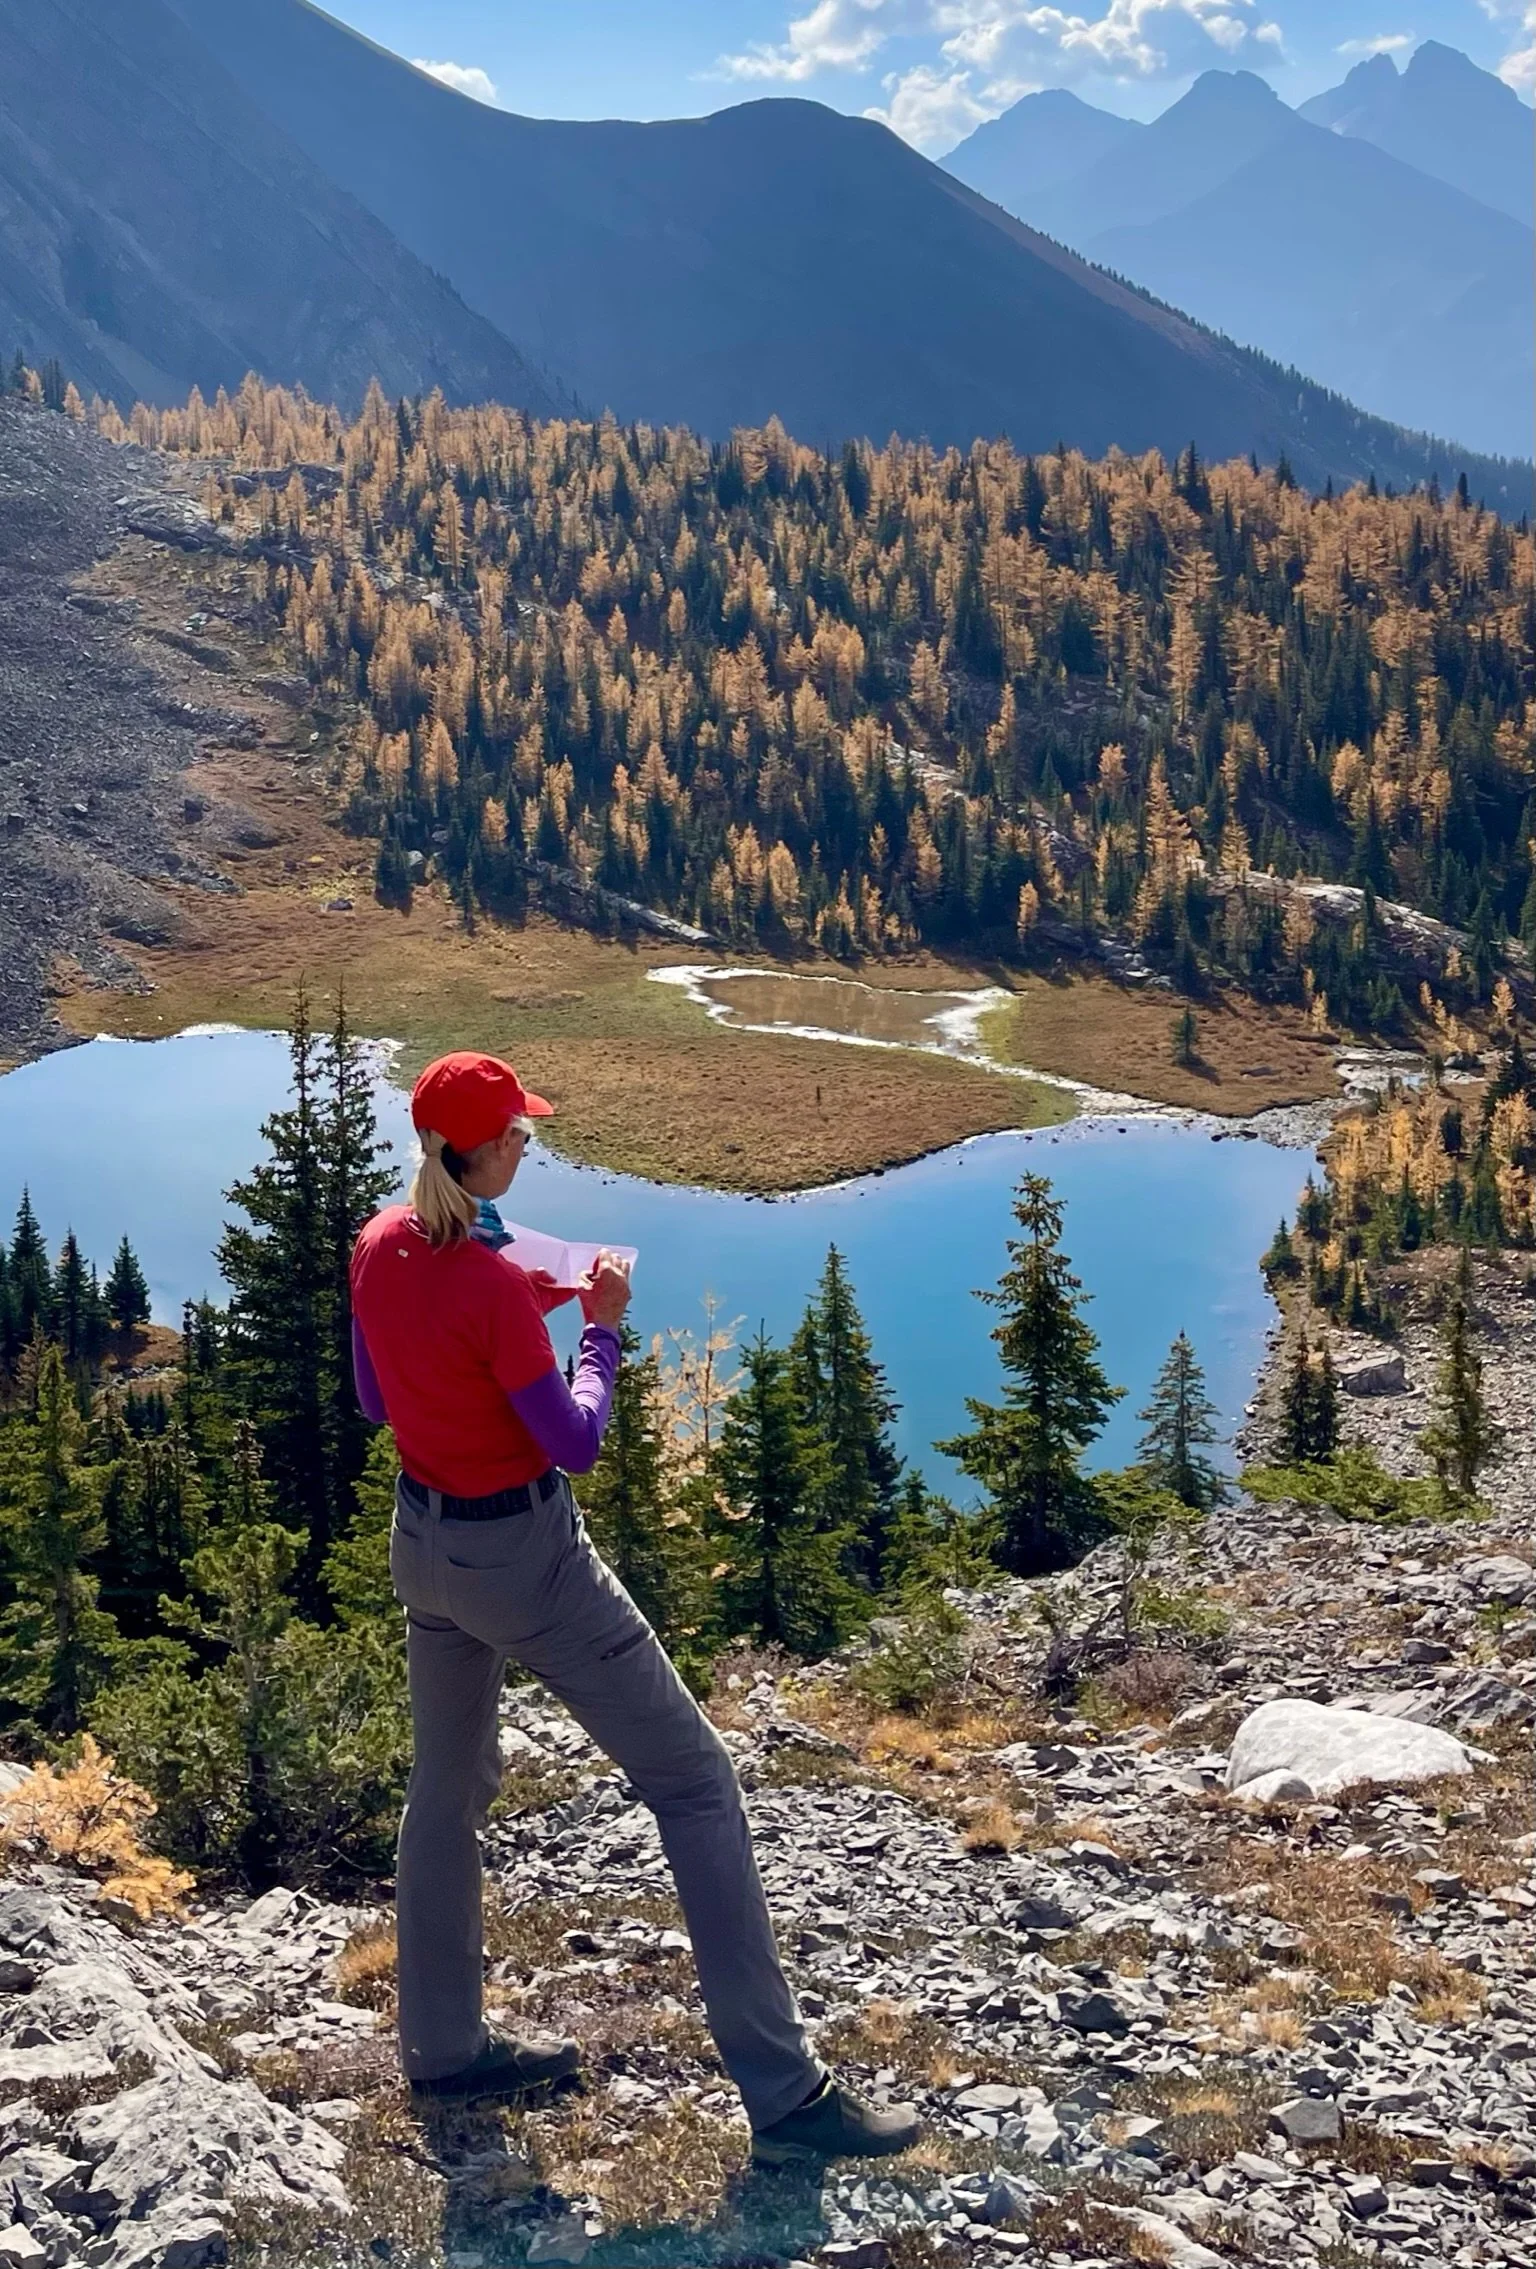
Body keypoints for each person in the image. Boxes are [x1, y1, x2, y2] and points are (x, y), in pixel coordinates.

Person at [350, 1050, 920, 2165]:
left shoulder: (385, 1242)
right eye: (518, 1134)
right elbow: (579, 1439)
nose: (530, 1143)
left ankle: (444, 2045)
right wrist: (599, 1327)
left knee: (448, 1789)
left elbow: (378, 1396)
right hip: (528, 1558)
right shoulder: (483, 1285)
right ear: (473, 1150)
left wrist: (522, 1310)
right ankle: (786, 2095)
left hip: (422, 1548)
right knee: (696, 1782)